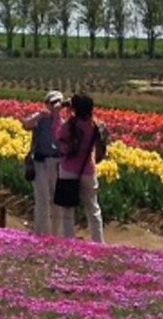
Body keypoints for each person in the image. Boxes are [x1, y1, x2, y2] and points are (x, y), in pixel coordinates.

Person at [53, 92, 108, 243]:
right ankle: (98, 241)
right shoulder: (95, 125)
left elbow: (58, 136)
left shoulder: (70, 125)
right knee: (93, 208)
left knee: (68, 210)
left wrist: (61, 112)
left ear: (75, 108)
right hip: (88, 170)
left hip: (68, 170)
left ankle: (69, 241)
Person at [19, 91, 68, 237]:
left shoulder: (64, 123)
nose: (55, 106)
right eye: (52, 103)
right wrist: (41, 114)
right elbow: (25, 124)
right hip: (40, 162)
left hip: (57, 163)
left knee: (57, 202)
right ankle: (41, 234)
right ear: (46, 104)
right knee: (42, 199)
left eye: (58, 103)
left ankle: (56, 234)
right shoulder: (40, 120)